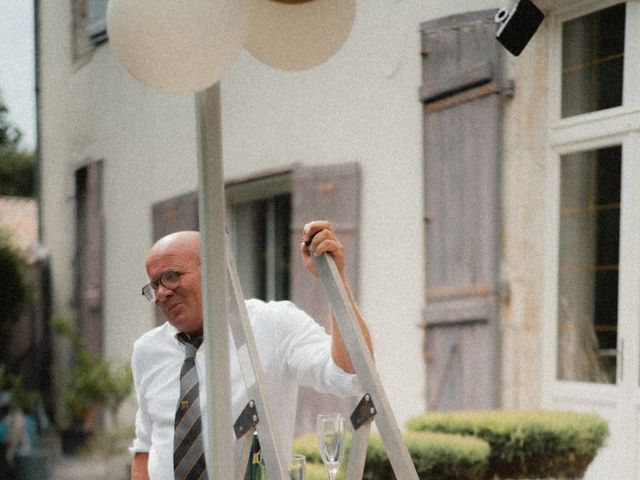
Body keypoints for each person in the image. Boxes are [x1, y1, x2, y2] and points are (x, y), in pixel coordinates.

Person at [130, 220, 373, 480]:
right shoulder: (147, 350)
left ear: (215, 269)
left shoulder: (275, 324)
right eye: (154, 285)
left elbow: (351, 374)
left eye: (171, 276)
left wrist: (334, 280)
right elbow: (145, 445)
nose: (161, 294)